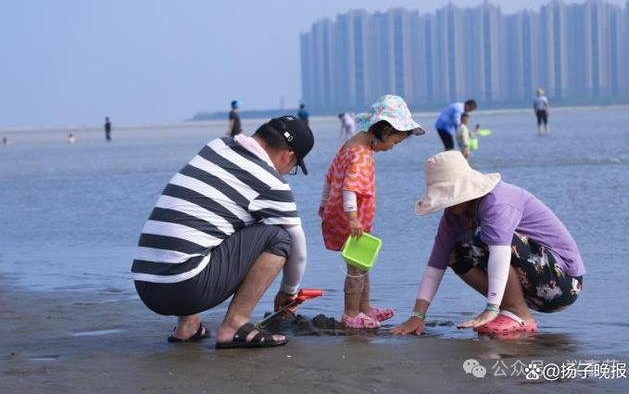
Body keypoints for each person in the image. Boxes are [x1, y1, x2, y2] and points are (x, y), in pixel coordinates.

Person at [132, 116, 314, 349]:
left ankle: (187, 326)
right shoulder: (272, 183)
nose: (288, 172)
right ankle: (235, 325)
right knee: (279, 238)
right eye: (294, 167)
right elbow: (297, 244)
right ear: (288, 155)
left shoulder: (217, 146)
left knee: (212, 223)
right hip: (183, 288)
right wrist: (289, 292)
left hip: (145, 284)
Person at [390, 151, 585, 337]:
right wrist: (418, 316)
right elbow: (435, 265)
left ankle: (518, 314)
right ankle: (511, 309)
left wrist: (491, 308)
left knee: (484, 237)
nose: (449, 205)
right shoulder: (453, 215)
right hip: (533, 290)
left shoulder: (497, 201)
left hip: (563, 283)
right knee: (455, 252)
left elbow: (500, 253)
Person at [319, 95, 425, 328]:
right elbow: (349, 188)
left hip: (342, 215)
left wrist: (324, 201)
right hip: (351, 220)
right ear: (385, 130)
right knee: (356, 268)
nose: (392, 147)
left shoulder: (350, 145)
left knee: (363, 264)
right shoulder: (361, 155)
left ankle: (365, 309)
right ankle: (351, 314)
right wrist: (353, 218)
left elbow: (330, 175)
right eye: (395, 142)